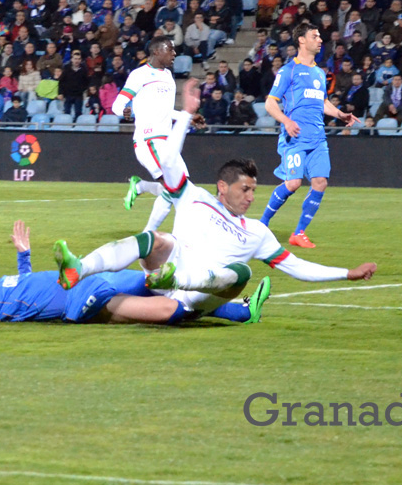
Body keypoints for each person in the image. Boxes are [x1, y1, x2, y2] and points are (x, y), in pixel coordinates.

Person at [56, 83, 376, 321]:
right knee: (155, 239)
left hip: (190, 300)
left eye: (253, 190)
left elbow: (297, 267)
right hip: (160, 277)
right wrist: (186, 115)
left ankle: (196, 291)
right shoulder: (194, 197)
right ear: (222, 187)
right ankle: (79, 267)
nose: (251, 198)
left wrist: (347, 273)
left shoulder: (257, 232)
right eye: (245, 190)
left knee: (242, 272)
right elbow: (168, 158)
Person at [0, 221, 225, 325]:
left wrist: (24, 256)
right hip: (79, 299)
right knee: (168, 308)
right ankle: (206, 310)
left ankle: (239, 309)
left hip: (81, 282)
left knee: (158, 283)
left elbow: (27, 289)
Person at [260, 22, 358, 248]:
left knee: (320, 182)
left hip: (318, 138)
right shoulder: (288, 71)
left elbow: (322, 101)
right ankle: (262, 224)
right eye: (315, 36)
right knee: (293, 183)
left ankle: (299, 233)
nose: (320, 40)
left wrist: (339, 114)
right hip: (295, 137)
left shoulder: (319, 73)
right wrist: (286, 120)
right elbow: (269, 103)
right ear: (302, 40)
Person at [118, 36, 192, 231]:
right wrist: (126, 111)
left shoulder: (168, 76)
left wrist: (187, 116)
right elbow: (118, 105)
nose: (174, 53)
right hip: (149, 139)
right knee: (177, 188)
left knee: (182, 187)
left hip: (167, 141)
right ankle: (151, 236)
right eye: (170, 49)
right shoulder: (139, 75)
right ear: (157, 51)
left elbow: (164, 111)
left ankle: (141, 187)